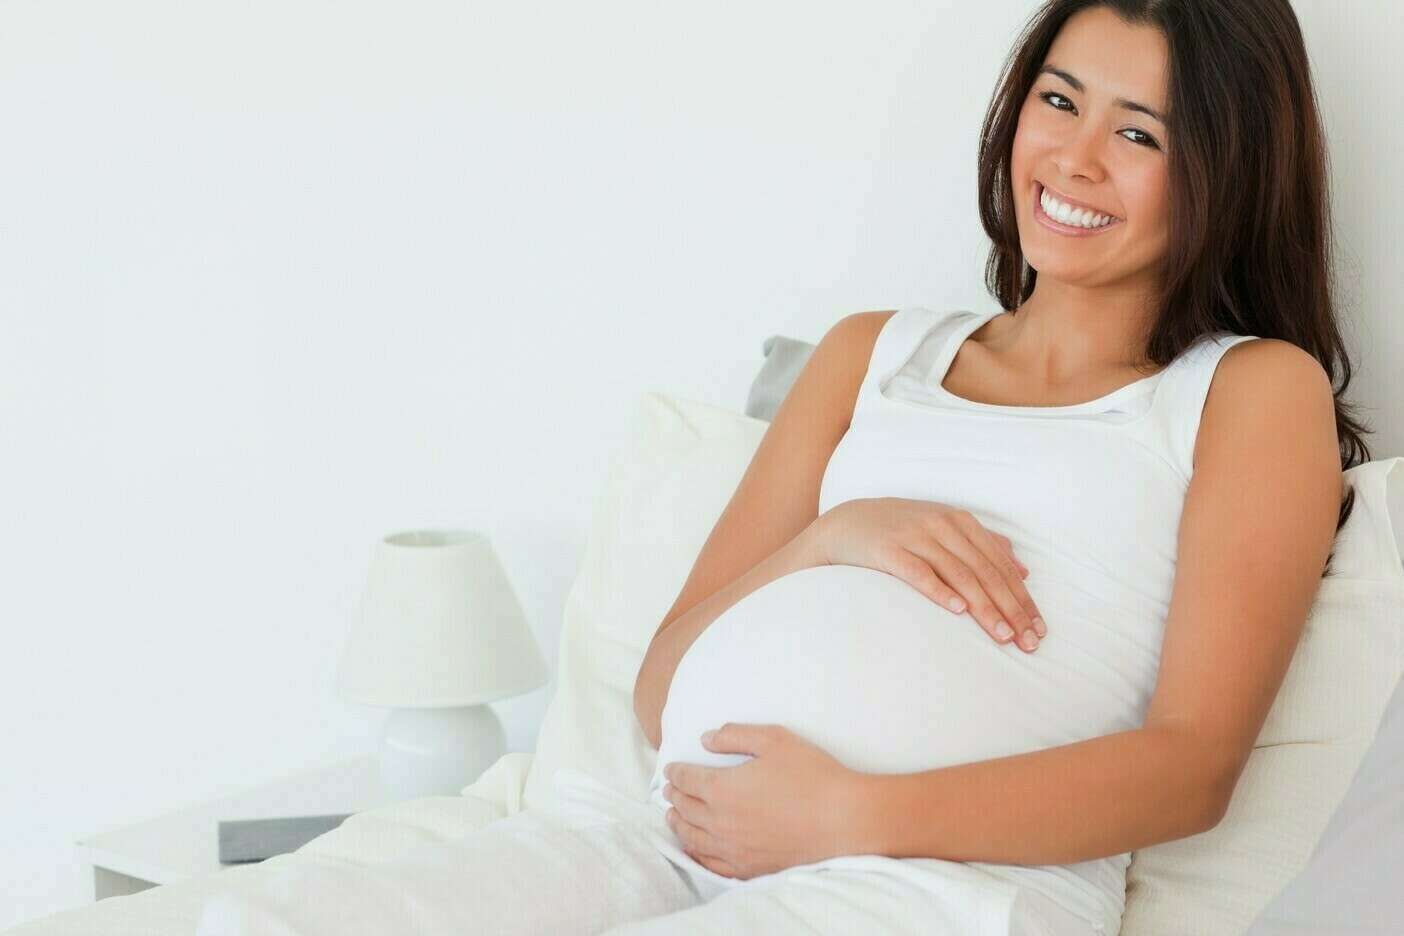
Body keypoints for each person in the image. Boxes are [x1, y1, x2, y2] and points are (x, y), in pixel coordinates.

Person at [196, 2, 1368, 935]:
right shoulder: (872, 353)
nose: (1074, 156)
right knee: (267, 918)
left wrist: (854, 813)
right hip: (671, 840)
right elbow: (660, 692)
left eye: (1139, 132)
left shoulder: (1249, 391)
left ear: (1223, 170)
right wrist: (830, 539)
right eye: (1058, 101)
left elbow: (1190, 770)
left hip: (944, 887)